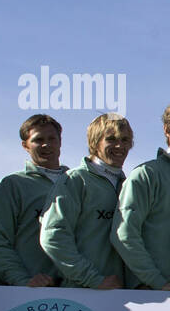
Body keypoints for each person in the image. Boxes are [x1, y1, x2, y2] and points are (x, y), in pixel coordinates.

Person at [112, 98, 170, 290]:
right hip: (152, 291)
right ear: (167, 130)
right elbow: (124, 234)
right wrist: (158, 282)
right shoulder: (146, 175)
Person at [39, 112, 132, 289]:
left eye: (125, 140)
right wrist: (94, 279)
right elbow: (53, 237)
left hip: (121, 293)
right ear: (95, 142)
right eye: (111, 139)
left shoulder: (127, 185)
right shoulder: (75, 180)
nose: (119, 145)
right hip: (82, 293)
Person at [0, 114, 67, 287]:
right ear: (25, 145)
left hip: (72, 291)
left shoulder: (76, 183)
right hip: (23, 293)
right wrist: (22, 280)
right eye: (38, 140)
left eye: (52, 138)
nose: (46, 145)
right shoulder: (11, 186)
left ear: (60, 141)